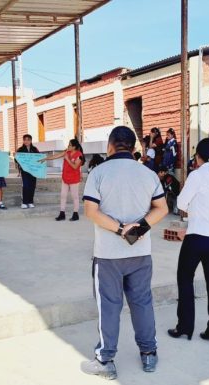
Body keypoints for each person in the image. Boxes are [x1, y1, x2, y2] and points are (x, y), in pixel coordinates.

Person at [80, 126, 169, 379]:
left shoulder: (98, 172)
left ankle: (105, 360)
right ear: (134, 148)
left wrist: (120, 229)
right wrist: (138, 229)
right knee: (142, 303)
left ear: (110, 146)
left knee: (109, 306)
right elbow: (161, 208)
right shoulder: (148, 174)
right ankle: (149, 354)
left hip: (108, 255)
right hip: (140, 252)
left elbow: (91, 211)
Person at [167, 138, 209, 344]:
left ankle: (185, 327)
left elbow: (181, 202)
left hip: (198, 236)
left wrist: (194, 208)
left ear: (198, 156)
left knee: (185, 279)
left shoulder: (197, 174)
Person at [40, 138, 84, 221]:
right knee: (63, 195)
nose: (68, 146)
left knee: (75, 197)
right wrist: (45, 159)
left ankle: (75, 214)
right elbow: (56, 156)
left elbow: (75, 166)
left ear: (74, 147)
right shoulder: (66, 152)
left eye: (70, 145)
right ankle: (62, 213)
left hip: (74, 179)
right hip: (65, 178)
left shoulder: (79, 155)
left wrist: (67, 159)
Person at [16, 134, 40, 209]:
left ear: (31, 141)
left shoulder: (35, 149)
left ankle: (30, 201)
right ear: (23, 141)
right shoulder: (20, 150)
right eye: (25, 140)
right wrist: (16, 157)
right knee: (26, 185)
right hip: (24, 171)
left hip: (34, 171)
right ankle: (24, 202)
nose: (26, 141)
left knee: (32, 186)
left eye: (28, 140)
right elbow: (16, 160)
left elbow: (39, 158)